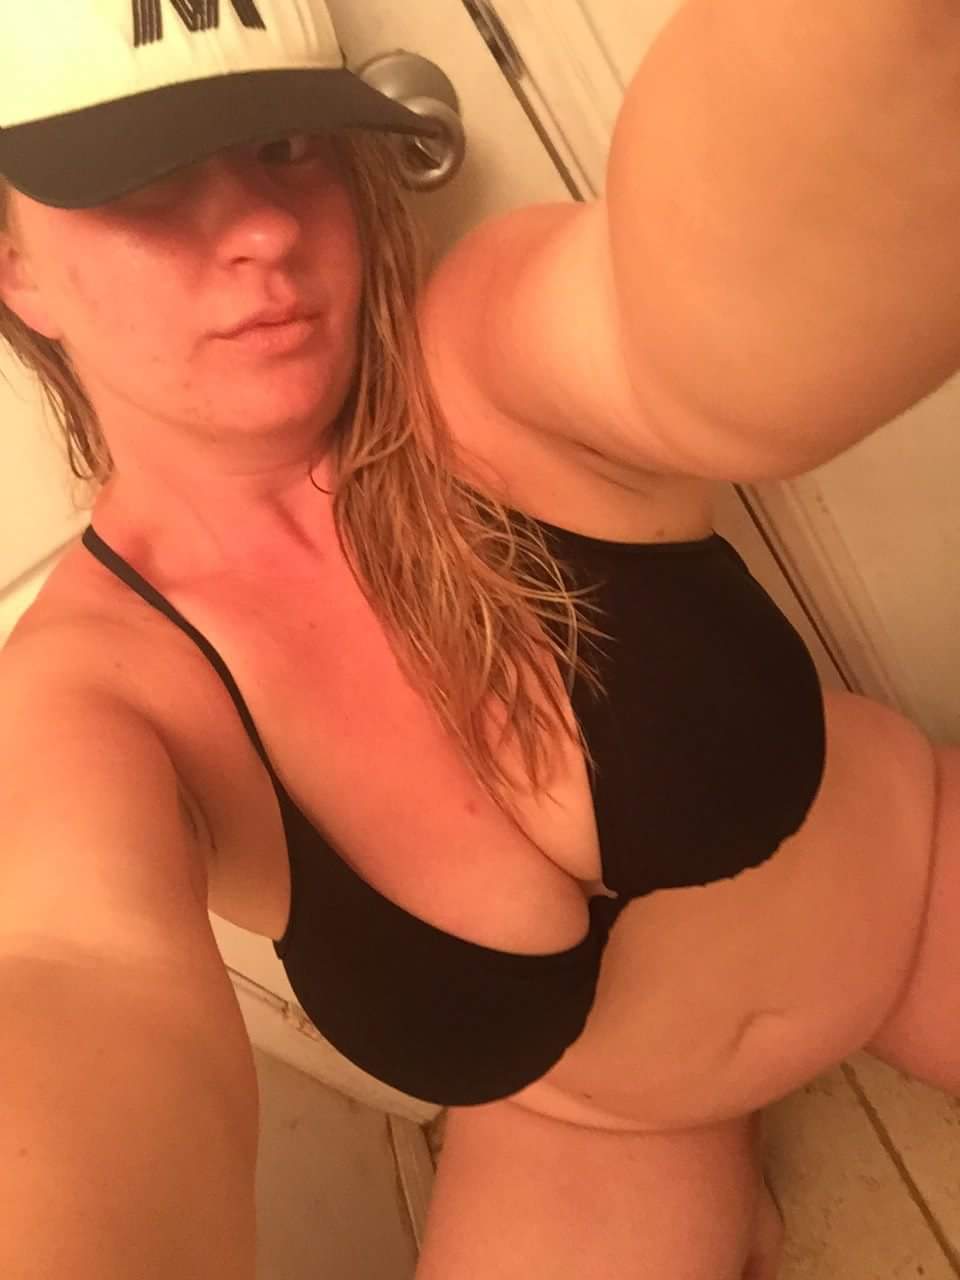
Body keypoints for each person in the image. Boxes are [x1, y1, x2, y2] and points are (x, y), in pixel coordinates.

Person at [1, 0, 958, 1277]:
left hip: (910, 892)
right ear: (14, 265)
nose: (267, 228)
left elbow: (695, 327)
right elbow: (71, 972)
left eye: (288, 147)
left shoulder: (479, 362)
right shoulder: (90, 693)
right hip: (608, 1127)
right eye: (148, 178)